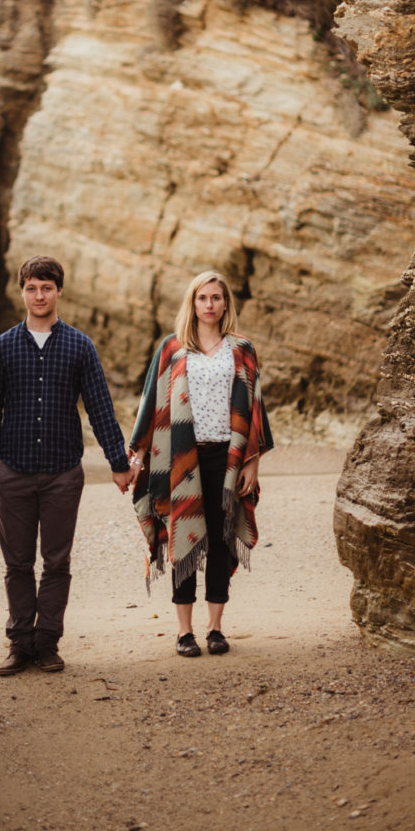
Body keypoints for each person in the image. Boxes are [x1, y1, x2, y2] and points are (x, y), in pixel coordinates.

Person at [0, 255, 138, 676]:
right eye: (31, 287)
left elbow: (100, 408)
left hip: (63, 473)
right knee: (16, 564)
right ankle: (19, 643)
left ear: (59, 291)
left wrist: (118, 463)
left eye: (46, 287)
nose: (39, 295)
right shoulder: (3, 347)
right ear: (23, 292)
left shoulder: (79, 346)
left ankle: (47, 643)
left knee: (56, 562)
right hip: (12, 470)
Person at [128, 270, 273, 657]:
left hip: (227, 457)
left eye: (216, 298)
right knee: (184, 538)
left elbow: (255, 409)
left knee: (222, 540)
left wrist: (251, 462)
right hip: (181, 458)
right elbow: (150, 405)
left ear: (226, 303)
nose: (209, 305)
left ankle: (215, 628)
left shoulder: (241, 348)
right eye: (202, 298)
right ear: (192, 304)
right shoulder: (172, 347)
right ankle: (184, 632)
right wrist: (138, 456)